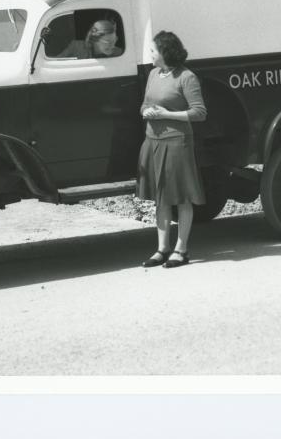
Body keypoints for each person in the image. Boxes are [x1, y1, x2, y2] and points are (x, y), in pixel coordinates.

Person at [137, 31, 207, 268]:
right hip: (153, 141)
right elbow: (145, 102)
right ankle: (162, 248)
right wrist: (145, 111)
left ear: (165, 52)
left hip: (177, 142)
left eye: (154, 50)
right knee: (161, 198)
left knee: (182, 197)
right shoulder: (154, 74)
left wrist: (167, 114)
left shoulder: (187, 77)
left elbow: (199, 112)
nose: (150, 54)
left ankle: (181, 249)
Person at [57, 19, 123, 58]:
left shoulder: (120, 53)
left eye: (114, 40)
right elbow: (56, 63)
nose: (112, 45)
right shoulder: (76, 47)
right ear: (95, 39)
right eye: (108, 41)